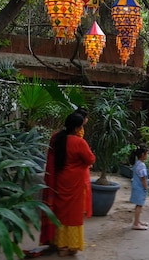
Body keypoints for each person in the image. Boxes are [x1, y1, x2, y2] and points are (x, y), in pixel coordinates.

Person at [40, 108, 96, 257]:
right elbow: (90, 159)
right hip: (75, 182)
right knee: (73, 214)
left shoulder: (56, 137)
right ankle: (71, 245)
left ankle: (60, 244)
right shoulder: (79, 142)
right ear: (78, 127)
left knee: (60, 212)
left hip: (59, 180)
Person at [129, 144, 149, 230]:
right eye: (146, 154)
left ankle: (137, 221)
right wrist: (146, 187)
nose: (147, 155)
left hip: (136, 187)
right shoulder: (141, 165)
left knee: (138, 205)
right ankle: (136, 223)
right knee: (139, 205)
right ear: (142, 155)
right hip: (140, 188)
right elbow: (143, 178)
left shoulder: (137, 163)